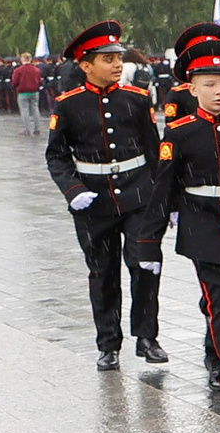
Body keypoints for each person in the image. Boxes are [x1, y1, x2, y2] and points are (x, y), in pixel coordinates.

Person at [131, 37, 220, 411]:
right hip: (202, 226)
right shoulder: (179, 132)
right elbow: (163, 189)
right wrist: (148, 242)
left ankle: (216, 355)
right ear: (192, 89)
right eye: (210, 84)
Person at [43, 21, 167, 369]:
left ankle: (147, 337)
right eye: (107, 58)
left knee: (145, 264)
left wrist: (165, 200)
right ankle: (108, 344)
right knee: (102, 272)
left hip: (138, 194)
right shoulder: (68, 105)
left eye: (117, 57)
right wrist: (73, 189)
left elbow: (154, 151)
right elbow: (56, 154)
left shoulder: (137, 99)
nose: (116, 64)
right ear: (85, 66)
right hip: (93, 201)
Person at [13, 54, 45, 135]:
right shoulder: (36, 69)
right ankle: (37, 128)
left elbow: (14, 82)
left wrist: (15, 87)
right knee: (35, 109)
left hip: (23, 92)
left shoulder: (18, 70)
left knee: (24, 111)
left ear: (22, 59)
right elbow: (40, 81)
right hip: (35, 92)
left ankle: (26, 129)